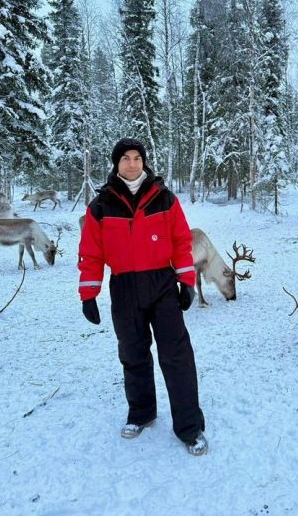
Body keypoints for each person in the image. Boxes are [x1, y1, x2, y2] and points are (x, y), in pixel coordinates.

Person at [78, 138, 207, 456]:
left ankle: (190, 427)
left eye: (137, 158)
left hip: (162, 285)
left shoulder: (164, 199)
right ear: (116, 164)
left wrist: (187, 281)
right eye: (125, 158)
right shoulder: (101, 206)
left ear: (144, 162)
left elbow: (181, 241)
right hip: (123, 287)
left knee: (176, 356)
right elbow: (91, 253)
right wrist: (88, 293)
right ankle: (141, 413)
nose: (132, 163)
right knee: (133, 354)